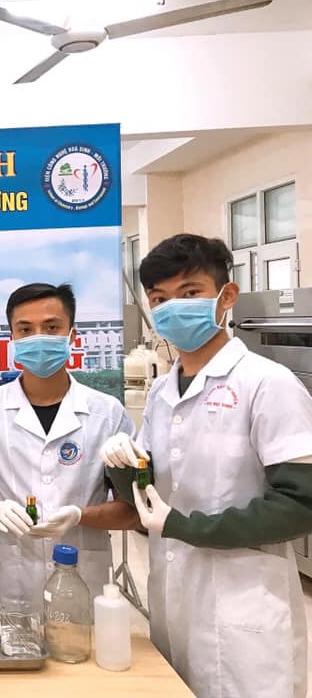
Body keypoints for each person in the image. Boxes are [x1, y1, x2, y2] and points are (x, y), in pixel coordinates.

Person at [101, 234, 312, 698]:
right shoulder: (162, 391)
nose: (173, 308)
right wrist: (121, 464)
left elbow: (301, 505)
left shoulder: (267, 384)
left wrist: (186, 526)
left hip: (245, 602)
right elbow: (148, 493)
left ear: (226, 296)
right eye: (160, 299)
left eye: (190, 292)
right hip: (174, 596)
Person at [0, 283, 137, 611]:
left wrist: (80, 516)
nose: (38, 337)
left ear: (72, 335)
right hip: (9, 579)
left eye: (51, 328)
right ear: (12, 338)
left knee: (78, 640)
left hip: (83, 575)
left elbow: (130, 512)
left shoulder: (107, 413)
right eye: (25, 329)